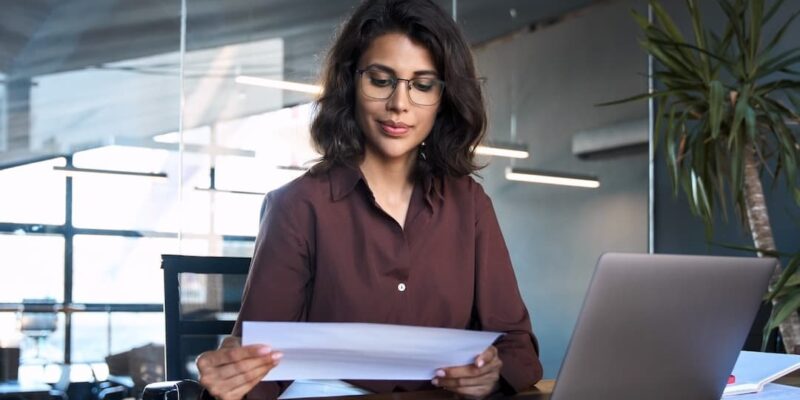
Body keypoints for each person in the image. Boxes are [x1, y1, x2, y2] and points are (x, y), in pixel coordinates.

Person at [195, 0, 544, 398]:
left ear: (444, 99)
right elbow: (257, 370)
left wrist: (491, 375)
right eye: (381, 80)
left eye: (423, 85)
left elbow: (519, 350)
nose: (400, 104)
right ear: (350, 84)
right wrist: (229, 379)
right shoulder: (297, 207)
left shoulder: (471, 205)